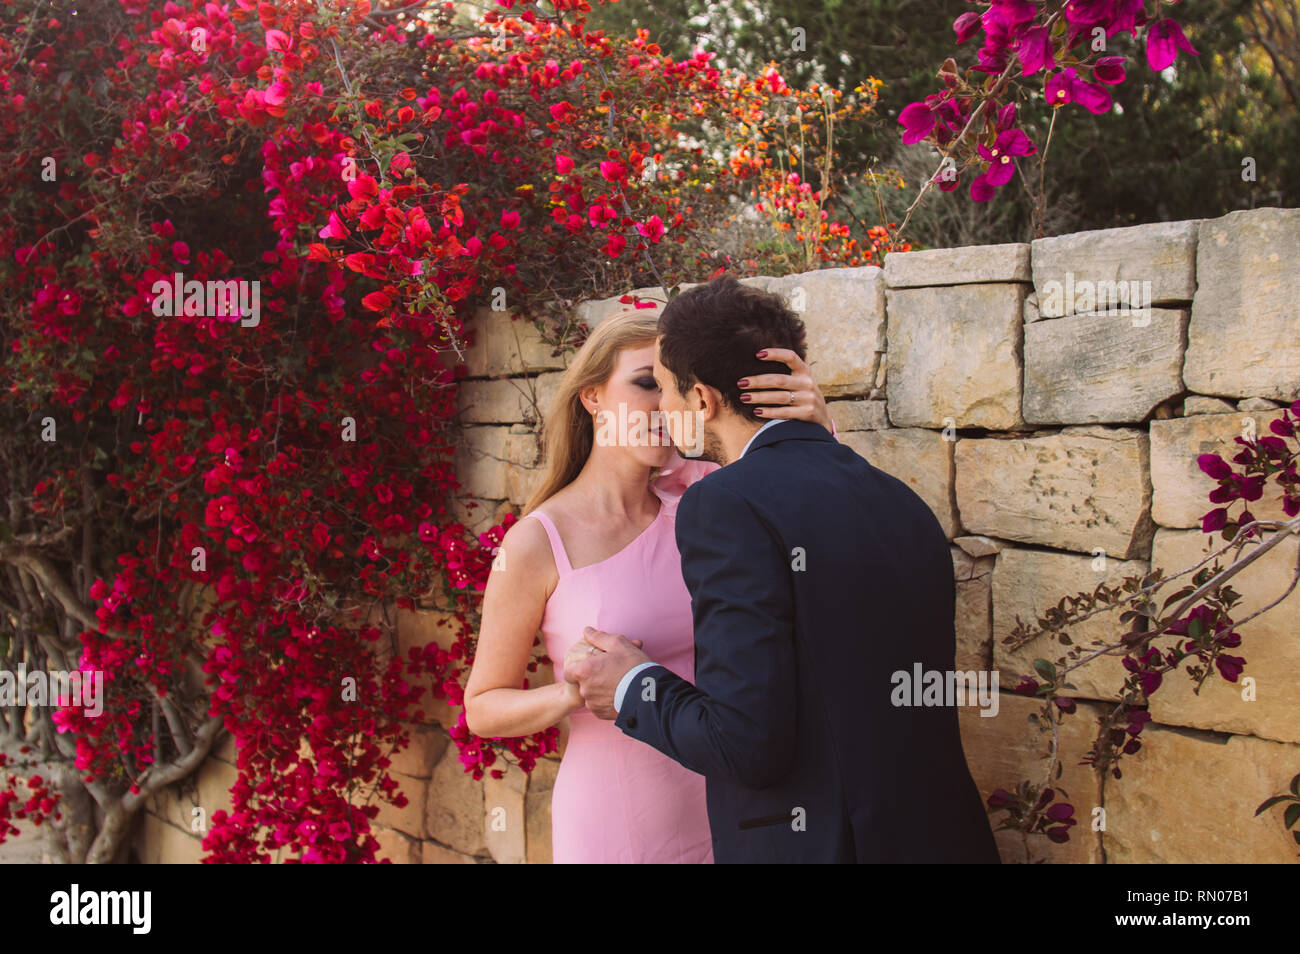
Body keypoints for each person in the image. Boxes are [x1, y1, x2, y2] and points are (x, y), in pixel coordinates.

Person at [566, 274, 1001, 863]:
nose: (664, 410)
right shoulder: (898, 497)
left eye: (666, 389)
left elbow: (746, 744)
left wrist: (630, 683)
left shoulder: (724, 504)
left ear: (703, 400)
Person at [462, 304, 837, 863]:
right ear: (593, 397)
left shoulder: (712, 497)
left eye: (673, 387)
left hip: (739, 810)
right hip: (620, 821)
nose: (666, 405)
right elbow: (483, 707)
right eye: (645, 384)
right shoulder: (538, 542)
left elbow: (826, 530)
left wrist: (816, 428)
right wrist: (583, 689)